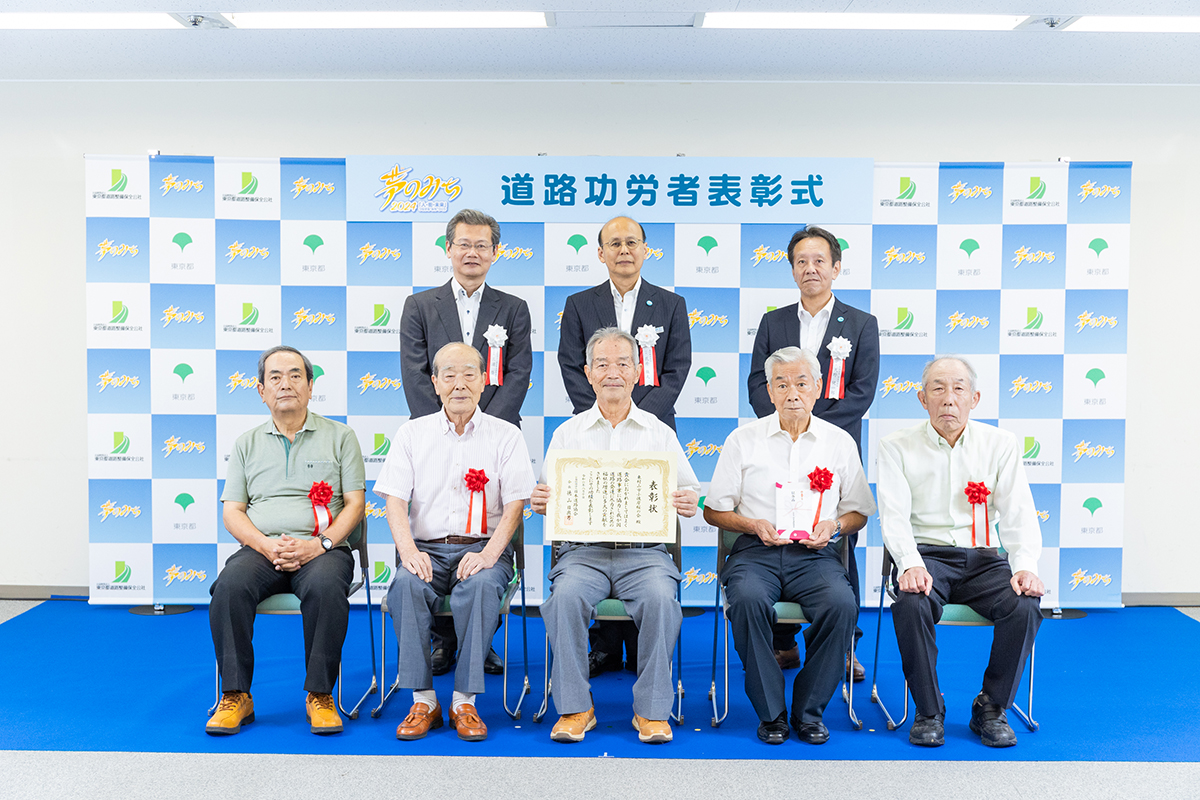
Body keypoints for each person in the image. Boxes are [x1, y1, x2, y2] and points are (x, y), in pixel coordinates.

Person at [530, 328, 700, 744]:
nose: (613, 372)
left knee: (662, 600)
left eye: (623, 363)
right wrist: (540, 499)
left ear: (638, 371)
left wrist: (687, 501)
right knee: (564, 599)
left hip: (644, 555)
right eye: (602, 364)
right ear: (587, 373)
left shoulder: (658, 431)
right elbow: (547, 496)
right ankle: (575, 707)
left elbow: (690, 490)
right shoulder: (568, 433)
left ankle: (652, 711)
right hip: (583, 553)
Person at [704, 347, 874, 745]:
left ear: (818, 388)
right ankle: (772, 713)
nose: (792, 392)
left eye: (801, 383)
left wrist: (834, 525)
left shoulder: (838, 442)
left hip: (815, 556)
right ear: (769, 390)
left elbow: (860, 513)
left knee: (841, 605)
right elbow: (714, 512)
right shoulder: (743, 439)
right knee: (746, 600)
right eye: (782, 384)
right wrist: (752, 523)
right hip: (755, 551)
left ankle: (808, 711)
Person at [877, 355, 1044, 748]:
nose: (948, 399)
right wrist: (910, 564)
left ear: (975, 398)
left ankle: (990, 706)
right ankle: (929, 710)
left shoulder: (1000, 444)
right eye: (938, 388)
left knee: (1025, 604)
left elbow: (1018, 511)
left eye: (958, 389)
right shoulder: (895, 446)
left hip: (984, 559)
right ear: (921, 399)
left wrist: (1024, 566)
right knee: (911, 603)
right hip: (927, 556)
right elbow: (894, 515)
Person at [375, 342, 535, 742]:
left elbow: (516, 505)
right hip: (426, 548)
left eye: (469, 374)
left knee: (480, 587)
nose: (459, 384)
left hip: (484, 548)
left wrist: (488, 555)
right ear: (434, 382)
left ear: (484, 380)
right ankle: (423, 699)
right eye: (449, 374)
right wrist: (409, 552)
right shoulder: (412, 433)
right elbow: (394, 499)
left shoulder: (507, 435)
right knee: (406, 587)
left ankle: (465, 700)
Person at [557, 216, 693, 675]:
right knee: (599, 525)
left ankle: (641, 647)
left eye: (631, 242)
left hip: (647, 434)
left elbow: (677, 367)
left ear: (645, 248)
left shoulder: (672, 304)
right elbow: (571, 365)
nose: (623, 250)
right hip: (594, 431)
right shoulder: (579, 304)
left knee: (640, 531)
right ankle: (605, 645)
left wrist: (638, 413)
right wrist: (605, 410)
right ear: (600, 253)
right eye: (613, 243)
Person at [400, 208, 532, 675]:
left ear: (495, 253)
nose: (472, 253)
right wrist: (447, 423)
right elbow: (417, 374)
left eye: (482, 245)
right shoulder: (420, 305)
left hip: (491, 437)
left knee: (491, 530)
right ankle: (441, 640)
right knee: (435, 526)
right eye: (463, 244)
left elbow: (518, 374)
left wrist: (481, 428)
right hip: (436, 433)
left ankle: (481, 638)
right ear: (449, 249)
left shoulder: (513, 308)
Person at [208, 345, 365, 736]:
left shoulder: (341, 436)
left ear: (311, 387)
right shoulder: (246, 443)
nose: (286, 384)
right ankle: (235, 695)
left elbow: (355, 504)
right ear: (261, 390)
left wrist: (321, 544)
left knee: (328, 588)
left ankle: (320, 695)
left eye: (296, 376)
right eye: (275, 377)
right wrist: (264, 545)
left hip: (323, 551)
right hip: (263, 549)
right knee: (228, 587)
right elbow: (233, 512)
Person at [747, 225, 880, 680]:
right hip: (778, 450)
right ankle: (783, 642)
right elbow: (757, 386)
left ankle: (843, 646)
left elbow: (862, 392)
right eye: (801, 261)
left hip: (831, 454)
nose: (811, 268)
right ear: (791, 269)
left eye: (819, 260)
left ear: (836, 267)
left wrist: (815, 432)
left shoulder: (861, 323)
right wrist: (789, 426)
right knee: (780, 540)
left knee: (837, 547)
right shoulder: (773, 321)